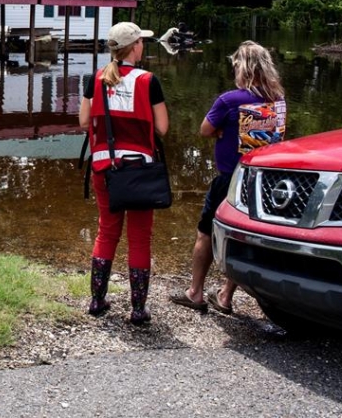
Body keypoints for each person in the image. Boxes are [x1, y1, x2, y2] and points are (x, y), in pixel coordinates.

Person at [170, 41, 285, 314]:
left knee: (206, 233)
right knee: (241, 236)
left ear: (244, 69)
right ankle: (224, 295)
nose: (234, 72)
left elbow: (205, 130)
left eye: (235, 66)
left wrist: (224, 132)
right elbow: (278, 137)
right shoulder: (278, 101)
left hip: (229, 179)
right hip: (262, 181)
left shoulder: (230, 99)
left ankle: (195, 292)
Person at [79, 21, 169, 325]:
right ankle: (138, 308)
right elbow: (162, 129)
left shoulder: (97, 79)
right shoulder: (148, 80)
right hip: (139, 171)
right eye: (142, 42)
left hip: (104, 168)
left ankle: (97, 300)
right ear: (135, 47)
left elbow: (83, 122)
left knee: (107, 231)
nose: (143, 46)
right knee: (140, 238)